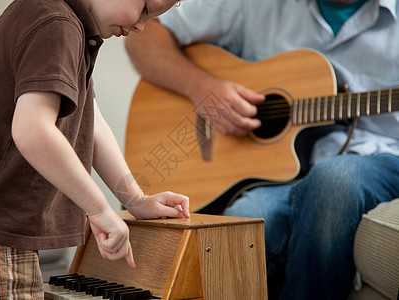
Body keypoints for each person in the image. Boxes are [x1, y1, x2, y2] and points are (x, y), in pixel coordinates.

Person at [124, 1, 399, 299]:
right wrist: (203, 87)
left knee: (335, 179)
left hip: (377, 161)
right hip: (281, 176)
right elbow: (143, 31)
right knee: (246, 220)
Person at [0, 0, 189, 298]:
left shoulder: (67, 22)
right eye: (144, 9)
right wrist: (99, 209)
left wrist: (136, 200)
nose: (141, 26)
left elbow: (92, 121)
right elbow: (32, 130)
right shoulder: (56, 24)